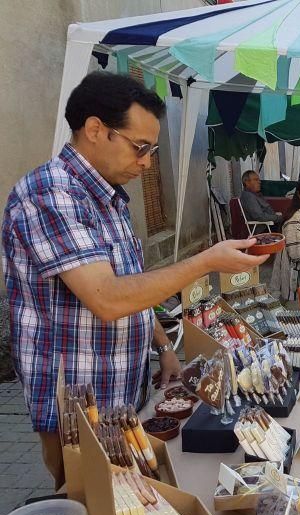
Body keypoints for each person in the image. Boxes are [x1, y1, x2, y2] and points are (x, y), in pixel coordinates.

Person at [1, 71, 268, 489]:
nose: (146, 163)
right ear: (94, 130)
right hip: (78, 410)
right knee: (93, 511)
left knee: (131, 503)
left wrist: (164, 346)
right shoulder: (51, 193)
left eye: (153, 150)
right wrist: (205, 261)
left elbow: (134, 284)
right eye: (140, 147)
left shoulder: (110, 198)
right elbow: (107, 298)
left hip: (123, 394)